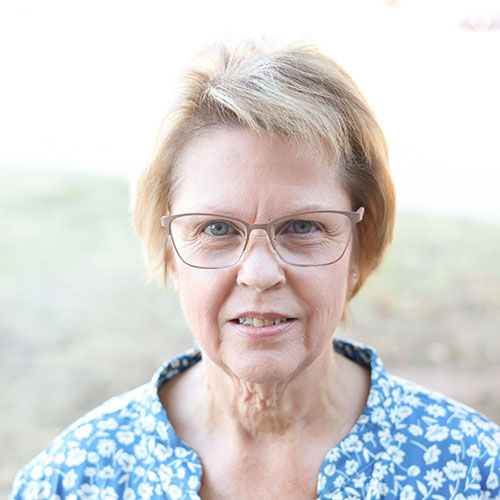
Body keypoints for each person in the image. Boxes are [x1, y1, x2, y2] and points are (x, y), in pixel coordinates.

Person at [10, 40, 500, 500]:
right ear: (170, 254)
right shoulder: (76, 479)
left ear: (360, 245)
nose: (260, 273)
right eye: (218, 228)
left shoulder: (473, 472)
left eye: (303, 226)